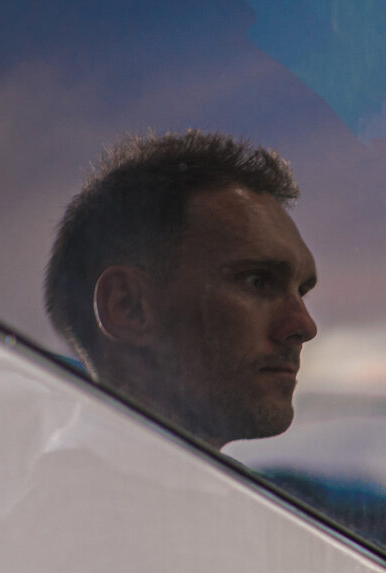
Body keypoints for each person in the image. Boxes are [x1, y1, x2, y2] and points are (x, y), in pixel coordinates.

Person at [42, 130, 317, 451]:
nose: (304, 326)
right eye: (257, 281)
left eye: (302, 291)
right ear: (127, 305)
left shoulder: (216, 496)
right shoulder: (72, 499)